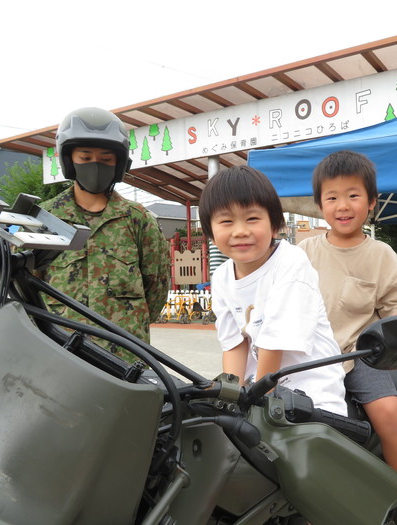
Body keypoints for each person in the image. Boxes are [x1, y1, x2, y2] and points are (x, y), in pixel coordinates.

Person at [298, 150, 397, 524]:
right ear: (319, 205)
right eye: (332, 197)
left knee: (388, 412)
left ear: (371, 202)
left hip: (357, 355)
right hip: (307, 355)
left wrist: (396, 332)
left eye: (353, 195)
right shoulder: (303, 252)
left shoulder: (381, 255)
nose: (343, 206)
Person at [199, 165, 347, 415]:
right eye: (226, 221)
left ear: (275, 224)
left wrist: (255, 404)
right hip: (259, 392)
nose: (240, 231)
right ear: (210, 233)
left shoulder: (290, 261)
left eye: (252, 219)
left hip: (312, 396)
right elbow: (235, 345)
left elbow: (273, 344)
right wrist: (231, 399)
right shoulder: (222, 276)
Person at [40, 107, 169, 360]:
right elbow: (26, 285)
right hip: (60, 355)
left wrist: (131, 323)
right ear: (69, 160)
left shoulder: (139, 220)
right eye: (85, 157)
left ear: (118, 163)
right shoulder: (45, 219)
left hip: (125, 359)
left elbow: (156, 289)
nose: (95, 165)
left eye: (106, 159)